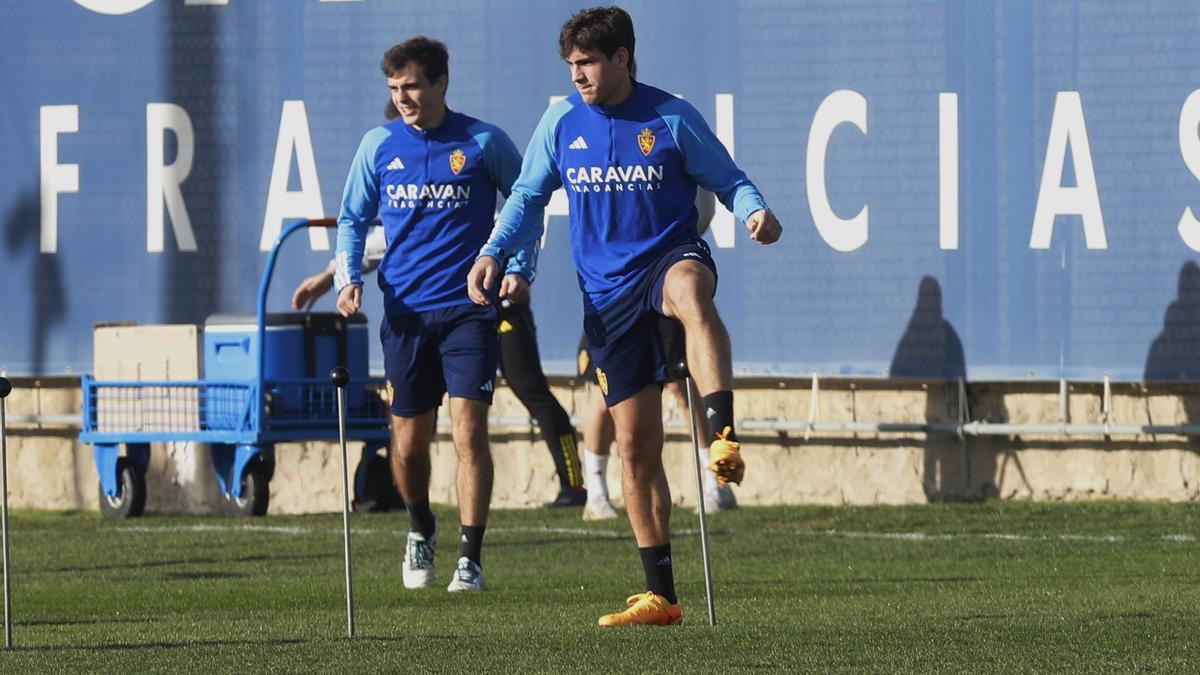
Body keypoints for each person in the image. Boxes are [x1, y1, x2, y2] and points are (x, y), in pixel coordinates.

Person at [468, 7, 782, 625]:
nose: (578, 75)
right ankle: (661, 596)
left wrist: (756, 211)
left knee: (693, 293)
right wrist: (492, 250)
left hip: (668, 257)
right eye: (571, 65)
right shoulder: (560, 120)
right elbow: (530, 196)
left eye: (587, 62)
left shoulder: (671, 116)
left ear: (623, 59)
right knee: (637, 448)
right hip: (605, 295)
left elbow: (730, 179)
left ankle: (721, 435)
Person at [294, 101, 586, 511]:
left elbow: (517, 212)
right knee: (418, 409)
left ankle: (575, 484)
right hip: (443, 309)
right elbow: (384, 240)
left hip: (495, 297)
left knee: (528, 387)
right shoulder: (399, 164)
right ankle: (410, 497)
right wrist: (333, 276)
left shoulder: (473, 155)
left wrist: (515, 267)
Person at [333, 36, 545, 593]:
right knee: (407, 444)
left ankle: (470, 558)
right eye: (394, 88)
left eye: (412, 86)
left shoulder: (482, 141)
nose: (402, 97)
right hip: (404, 313)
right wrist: (348, 278)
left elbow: (527, 201)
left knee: (470, 431)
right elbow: (352, 218)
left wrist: (521, 267)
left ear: (440, 84)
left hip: (470, 310)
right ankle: (420, 525)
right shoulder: (377, 145)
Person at [577, 191, 736, 521]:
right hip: (614, 285)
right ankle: (595, 490)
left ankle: (714, 479)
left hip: (665, 275)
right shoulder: (595, 148)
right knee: (605, 391)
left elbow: (705, 206)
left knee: (682, 385)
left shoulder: (682, 141)